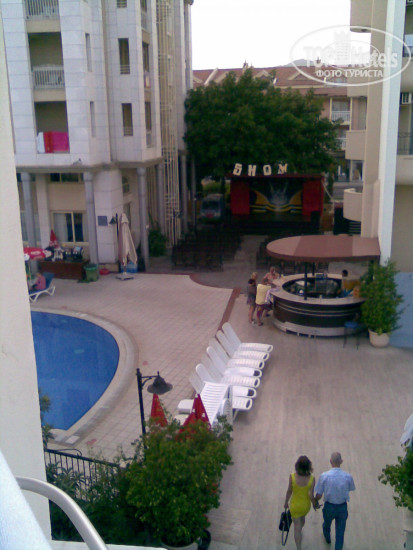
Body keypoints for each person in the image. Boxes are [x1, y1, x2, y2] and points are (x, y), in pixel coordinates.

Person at [315, 452, 356, 550]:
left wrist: (315, 501)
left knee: (327, 524)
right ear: (341, 461)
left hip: (329, 506)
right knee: (340, 534)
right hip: (342, 507)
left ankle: (327, 537)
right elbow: (350, 488)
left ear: (330, 461)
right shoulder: (348, 477)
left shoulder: (324, 476)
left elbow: (319, 494)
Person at [284, 456, 318, 550]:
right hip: (305, 506)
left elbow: (289, 491)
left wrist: (286, 502)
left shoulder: (292, 477)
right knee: (302, 521)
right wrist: (315, 504)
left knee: (297, 528)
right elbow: (310, 495)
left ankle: (299, 547)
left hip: (294, 506)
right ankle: (300, 529)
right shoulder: (312, 479)